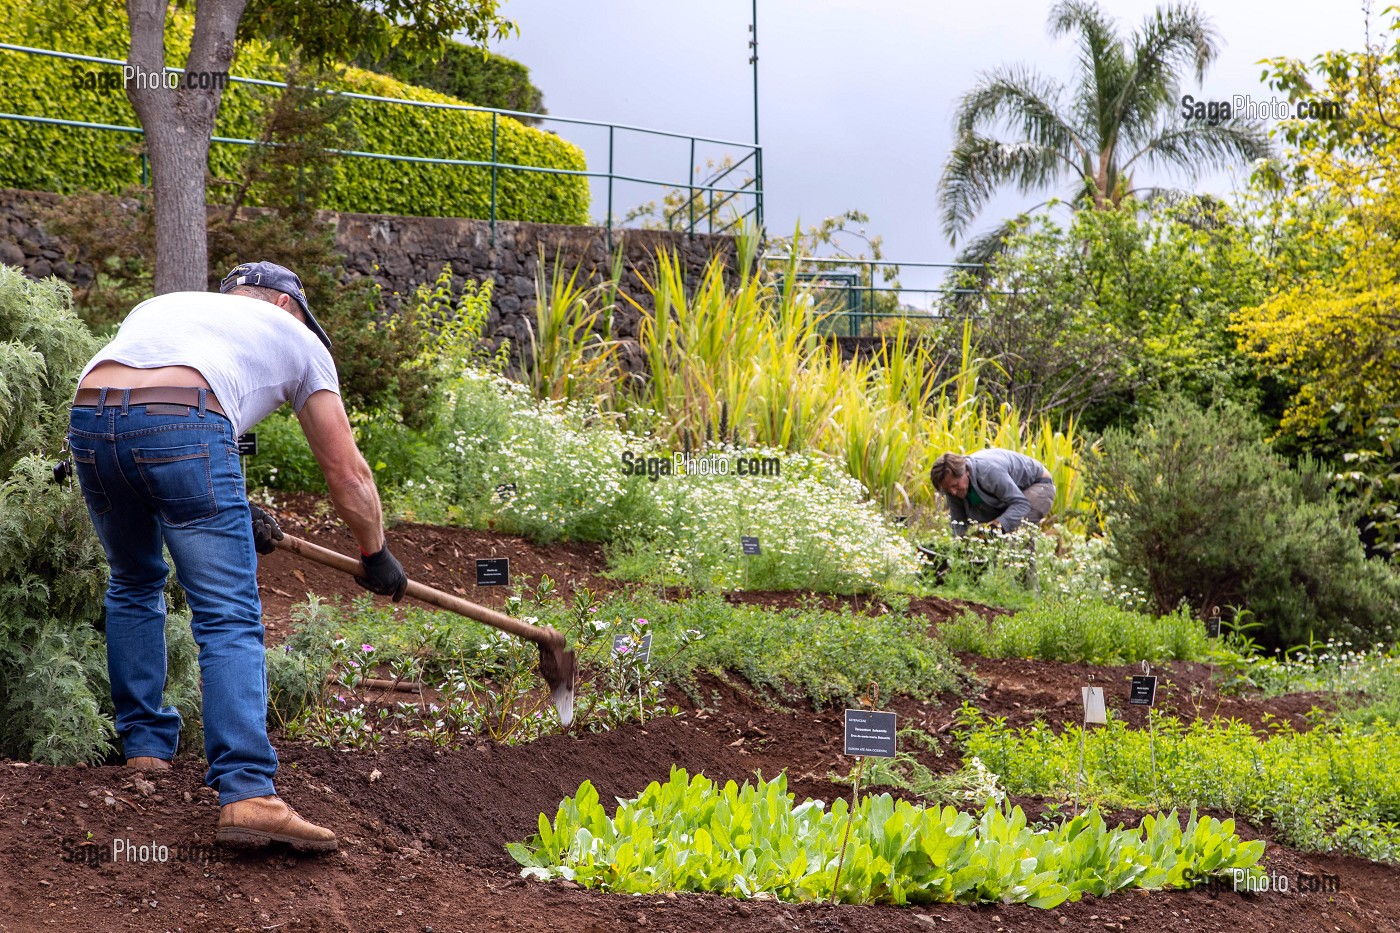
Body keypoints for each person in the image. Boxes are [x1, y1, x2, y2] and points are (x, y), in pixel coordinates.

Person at [67, 260, 409, 853]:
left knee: (134, 581)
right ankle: (248, 791)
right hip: (186, 418)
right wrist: (374, 551)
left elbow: (145, 411)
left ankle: (145, 752)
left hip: (91, 414)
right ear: (284, 305)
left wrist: (228, 501)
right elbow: (345, 472)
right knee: (228, 615)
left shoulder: (169, 305)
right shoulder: (296, 336)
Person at [928, 449, 1055, 537]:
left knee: (1013, 536)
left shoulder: (989, 472)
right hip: (1009, 495)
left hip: (1038, 485)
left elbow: (1021, 504)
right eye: (947, 489)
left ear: (966, 471)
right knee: (989, 542)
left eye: (955, 485)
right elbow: (958, 524)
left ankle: (1018, 576)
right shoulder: (951, 489)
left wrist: (995, 527)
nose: (953, 492)